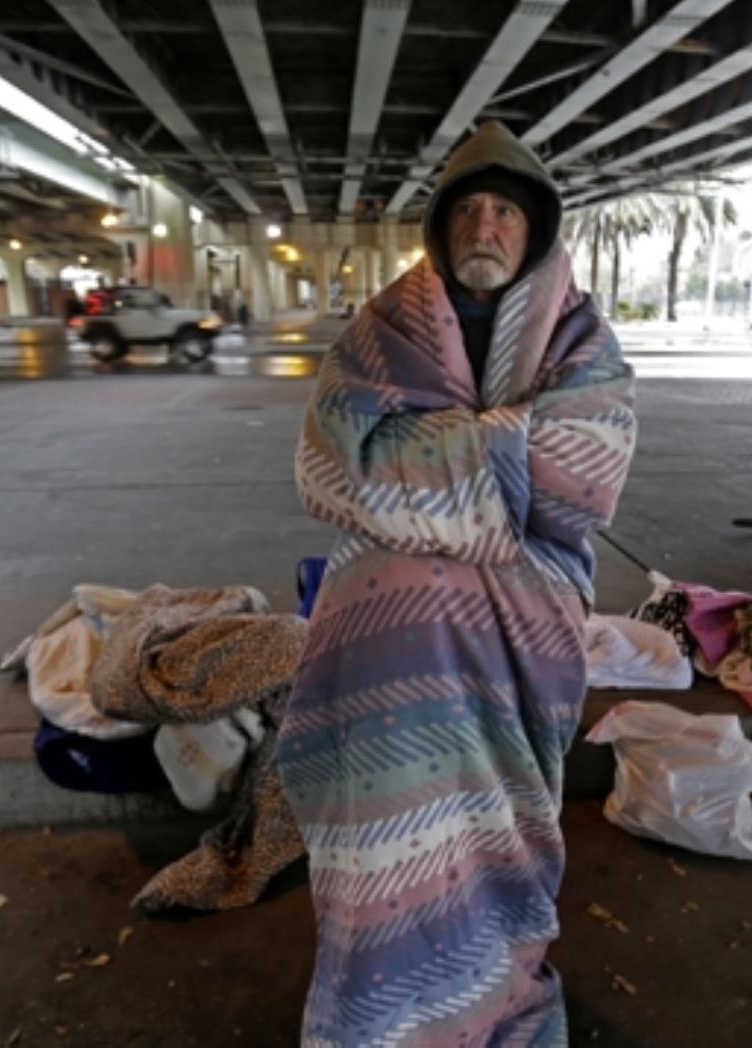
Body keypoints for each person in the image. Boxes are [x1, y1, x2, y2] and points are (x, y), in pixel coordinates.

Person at [277, 120, 637, 1045]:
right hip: (378, 653)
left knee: (493, 838)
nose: (485, 225)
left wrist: (418, 467)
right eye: (468, 208)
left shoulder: (581, 337)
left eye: (506, 211)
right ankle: (386, 998)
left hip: (525, 638)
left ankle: (485, 985)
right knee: (384, 843)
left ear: (537, 230)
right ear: (440, 228)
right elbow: (327, 469)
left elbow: (584, 479)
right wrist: (503, 455)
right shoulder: (381, 328)